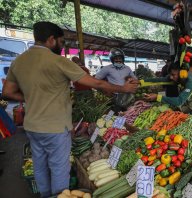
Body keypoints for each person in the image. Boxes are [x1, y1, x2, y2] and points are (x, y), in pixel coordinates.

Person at [2, 21, 138, 197]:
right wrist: (124, 89)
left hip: (32, 127)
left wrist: (32, 97)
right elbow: (95, 82)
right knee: (59, 169)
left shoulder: (18, 61)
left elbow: (7, 93)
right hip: (55, 127)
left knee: (40, 166)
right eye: (61, 42)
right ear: (51, 39)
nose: (62, 46)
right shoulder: (58, 61)